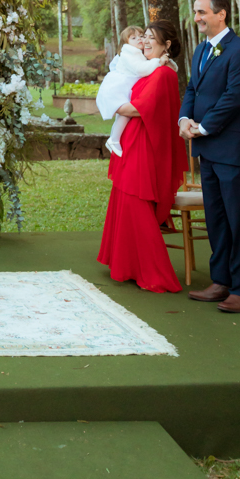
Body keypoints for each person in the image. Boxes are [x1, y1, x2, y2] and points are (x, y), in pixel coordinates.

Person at [180, 0, 240, 314]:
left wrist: (202, 126)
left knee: (239, 220)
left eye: (202, 12)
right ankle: (220, 281)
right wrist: (185, 118)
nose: (197, 18)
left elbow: (233, 98)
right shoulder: (201, 50)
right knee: (216, 219)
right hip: (208, 152)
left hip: (235, 151)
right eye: (196, 12)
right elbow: (192, 89)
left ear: (221, 13)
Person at [97, 23, 187, 294]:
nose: (145, 42)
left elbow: (138, 108)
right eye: (144, 38)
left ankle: (154, 272)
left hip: (144, 146)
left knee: (135, 203)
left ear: (166, 44)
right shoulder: (150, 70)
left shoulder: (162, 74)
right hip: (133, 142)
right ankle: (126, 265)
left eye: (151, 38)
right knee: (125, 201)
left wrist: (110, 104)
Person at [97, 24, 174, 156]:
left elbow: (148, 107)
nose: (141, 40)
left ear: (166, 45)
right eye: (134, 38)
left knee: (123, 115)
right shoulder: (130, 53)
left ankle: (114, 138)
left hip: (141, 136)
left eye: (141, 36)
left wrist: (165, 62)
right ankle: (114, 138)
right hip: (119, 87)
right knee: (123, 114)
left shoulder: (157, 69)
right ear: (125, 43)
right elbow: (141, 69)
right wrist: (158, 61)